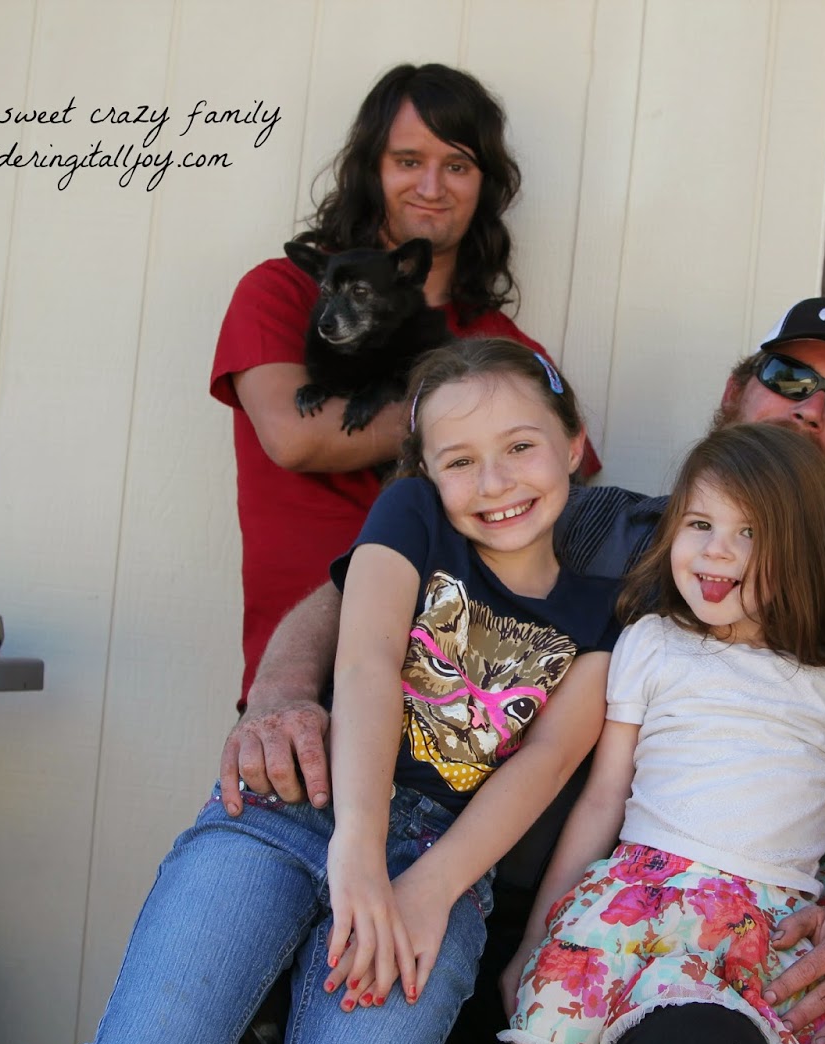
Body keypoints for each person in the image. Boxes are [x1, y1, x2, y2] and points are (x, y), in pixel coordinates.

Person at [227, 297, 825, 1044]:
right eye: (790, 378)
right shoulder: (589, 520)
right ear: (736, 388)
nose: (810, 410)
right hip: (502, 884)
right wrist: (281, 693)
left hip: (719, 938)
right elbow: (374, 583)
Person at [78, 339, 621, 1044]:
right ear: (426, 471)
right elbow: (367, 661)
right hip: (299, 807)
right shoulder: (412, 515)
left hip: (442, 861)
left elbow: (547, 761)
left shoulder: (601, 613)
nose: (495, 482)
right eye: (459, 460)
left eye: (521, 447)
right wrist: (358, 845)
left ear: (574, 444)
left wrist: (433, 889)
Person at [499, 424, 825, 1044]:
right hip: (632, 901)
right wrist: (535, 936)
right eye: (700, 524)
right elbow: (604, 799)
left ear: (801, 550)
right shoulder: (652, 643)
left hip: (767, 919)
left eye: (750, 532)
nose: (717, 549)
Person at [209, 62, 598, 709]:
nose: (431, 186)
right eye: (408, 160)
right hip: (306, 688)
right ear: (372, 170)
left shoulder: (504, 344)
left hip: (472, 707)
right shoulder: (284, 290)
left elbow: (572, 499)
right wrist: (484, 429)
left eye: (458, 165)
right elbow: (297, 437)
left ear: (485, 185)